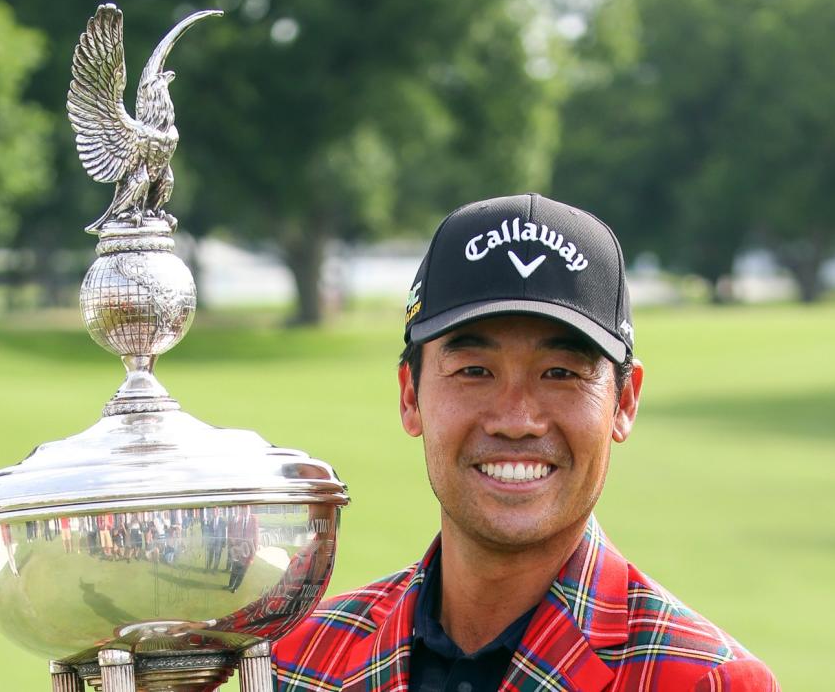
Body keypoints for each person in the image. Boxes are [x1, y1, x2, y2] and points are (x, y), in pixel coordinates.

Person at [272, 194, 778, 691]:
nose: (517, 420)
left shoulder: (704, 682)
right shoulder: (305, 659)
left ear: (624, 403)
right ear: (410, 396)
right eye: (474, 371)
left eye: (560, 373)